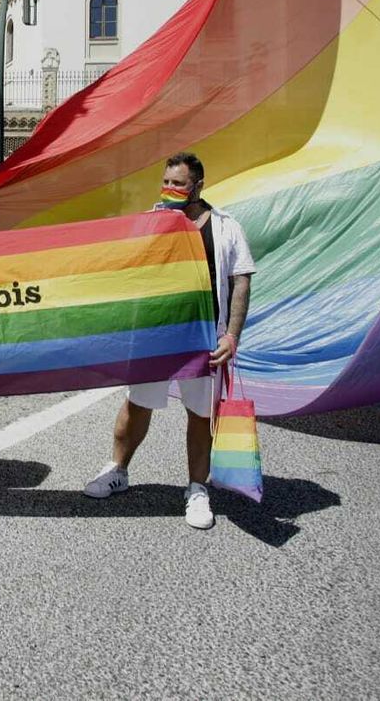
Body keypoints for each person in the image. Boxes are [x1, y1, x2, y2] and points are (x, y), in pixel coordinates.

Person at [81, 151, 255, 530]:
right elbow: (125, 269)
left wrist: (231, 335)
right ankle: (117, 470)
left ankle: (196, 489)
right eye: (167, 182)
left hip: (204, 338)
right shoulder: (150, 222)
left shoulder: (226, 227)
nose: (171, 189)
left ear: (198, 186)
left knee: (200, 414)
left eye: (179, 183)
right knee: (137, 403)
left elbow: (240, 280)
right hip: (155, 335)